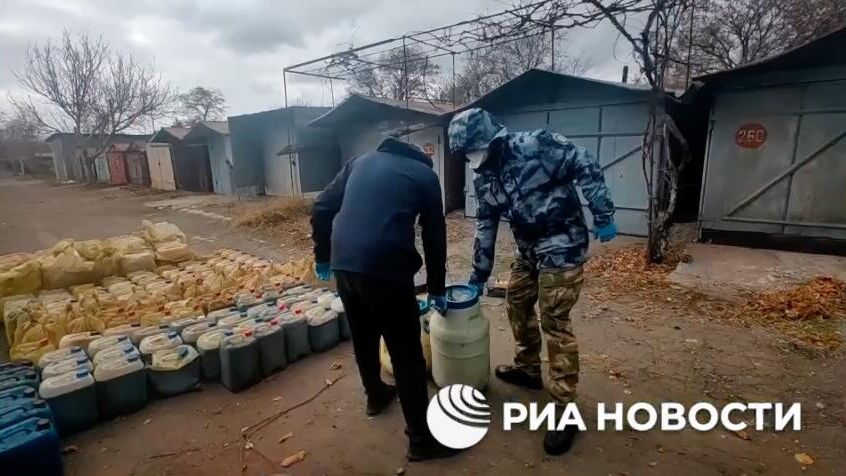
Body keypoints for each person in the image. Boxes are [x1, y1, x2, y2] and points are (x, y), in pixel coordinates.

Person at [448, 108, 617, 455]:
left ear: (491, 140)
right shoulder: (484, 177)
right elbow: (486, 225)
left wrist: (602, 212)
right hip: (528, 251)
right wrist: (478, 275)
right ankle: (528, 368)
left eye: (473, 149)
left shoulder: (538, 145)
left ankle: (565, 410)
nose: (471, 158)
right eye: (465, 153)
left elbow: (584, 162)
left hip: (563, 245)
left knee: (555, 321)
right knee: (517, 302)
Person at [310, 137, 456, 461]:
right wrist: (436, 288)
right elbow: (434, 234)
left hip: (344, 265)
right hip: (386, 269)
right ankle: (421, 440)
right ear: (421, 159)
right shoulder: (425, 175)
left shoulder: (358, 162)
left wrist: (322, 255)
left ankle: (375, 395)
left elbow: (321, 207)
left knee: (363, 335)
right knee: (406, 353)